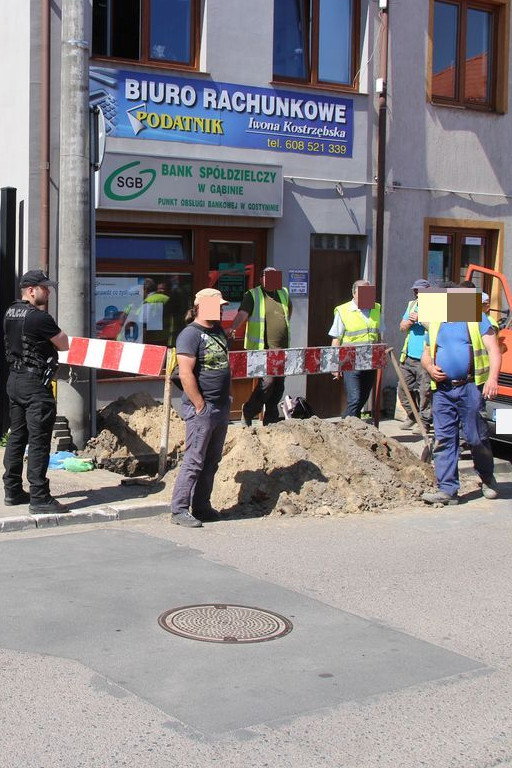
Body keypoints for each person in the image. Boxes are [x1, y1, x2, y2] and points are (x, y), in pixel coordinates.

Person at [421, 293, 501, 505]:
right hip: (443, 390)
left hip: (470, 387)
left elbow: (494, 349)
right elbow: (426, 354)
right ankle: (447, 490)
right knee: (444, 438)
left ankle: (486, 477)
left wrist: (493, 379)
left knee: (476, 437)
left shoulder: (476, 318)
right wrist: (430, 367)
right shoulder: (436, 322)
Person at [3, 270, 70, 513]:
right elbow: (64, 343)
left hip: (15, 379)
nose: (49, 291)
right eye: (45, 287)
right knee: (39, 441)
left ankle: (11, 490)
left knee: (17, 437)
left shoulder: (10, 312)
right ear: (31, 290)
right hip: (34, 385)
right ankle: (40, 497)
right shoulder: (39, 318)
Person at [170, 288, 231, 528]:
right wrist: (200, 405)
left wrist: (228, 397)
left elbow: (225, 366)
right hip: (202, 409)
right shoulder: (190, 335)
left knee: (212, 459)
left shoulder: (217, 331)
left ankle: (202, 506)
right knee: (194, 460)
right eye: (219, 306)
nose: (222, 310)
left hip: (221, 405)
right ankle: (179, 510)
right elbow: (185, 374)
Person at [228, 267, 291, 426]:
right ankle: (249, 411)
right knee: (267, 383)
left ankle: (271, 420)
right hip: (262, 349)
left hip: (281, 349)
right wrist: (232, 328)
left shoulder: (283, 292)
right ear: (261, 279)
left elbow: (289, 309)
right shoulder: (253, 295)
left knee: (278, 386)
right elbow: (243, 314)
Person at [329, 279, 382, 418]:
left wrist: (381, 355)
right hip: (350, 362)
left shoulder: (376, 308)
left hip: (370, 362)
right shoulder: (343, 310)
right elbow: (336, 339)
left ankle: (349, 425)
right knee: (355, 399)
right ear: (354, 293)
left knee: (362, 400)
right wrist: (335, 365)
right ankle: (349, 428)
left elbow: (379, 336)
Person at [398, 279, 432, 432]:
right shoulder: (412, 305)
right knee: (403, 389)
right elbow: (402, 327)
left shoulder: (436, 305)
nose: (417, 294)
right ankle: (413, 416)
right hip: (409, 356)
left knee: (425, 393)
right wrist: (409, 322)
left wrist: (422, 319)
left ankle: (424, 423)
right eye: (415, 291)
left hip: (425, 358)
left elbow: (437, 327)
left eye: (420, 291)